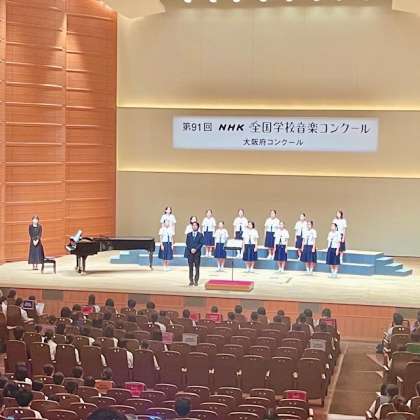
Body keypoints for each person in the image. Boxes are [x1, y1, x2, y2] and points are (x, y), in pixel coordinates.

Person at [184, 221, 204, 286]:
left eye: (195, 225)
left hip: (197, 253)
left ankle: (196, 281)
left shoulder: (200, 235)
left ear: (198, 227)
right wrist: (191, 249)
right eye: (193, 225)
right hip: (190, 253)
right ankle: (191, 281)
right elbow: (187, 243)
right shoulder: (189, 234)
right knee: (190, 267)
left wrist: (195, 249)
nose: (194, 226)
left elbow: (201, 243)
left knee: (197, 267)